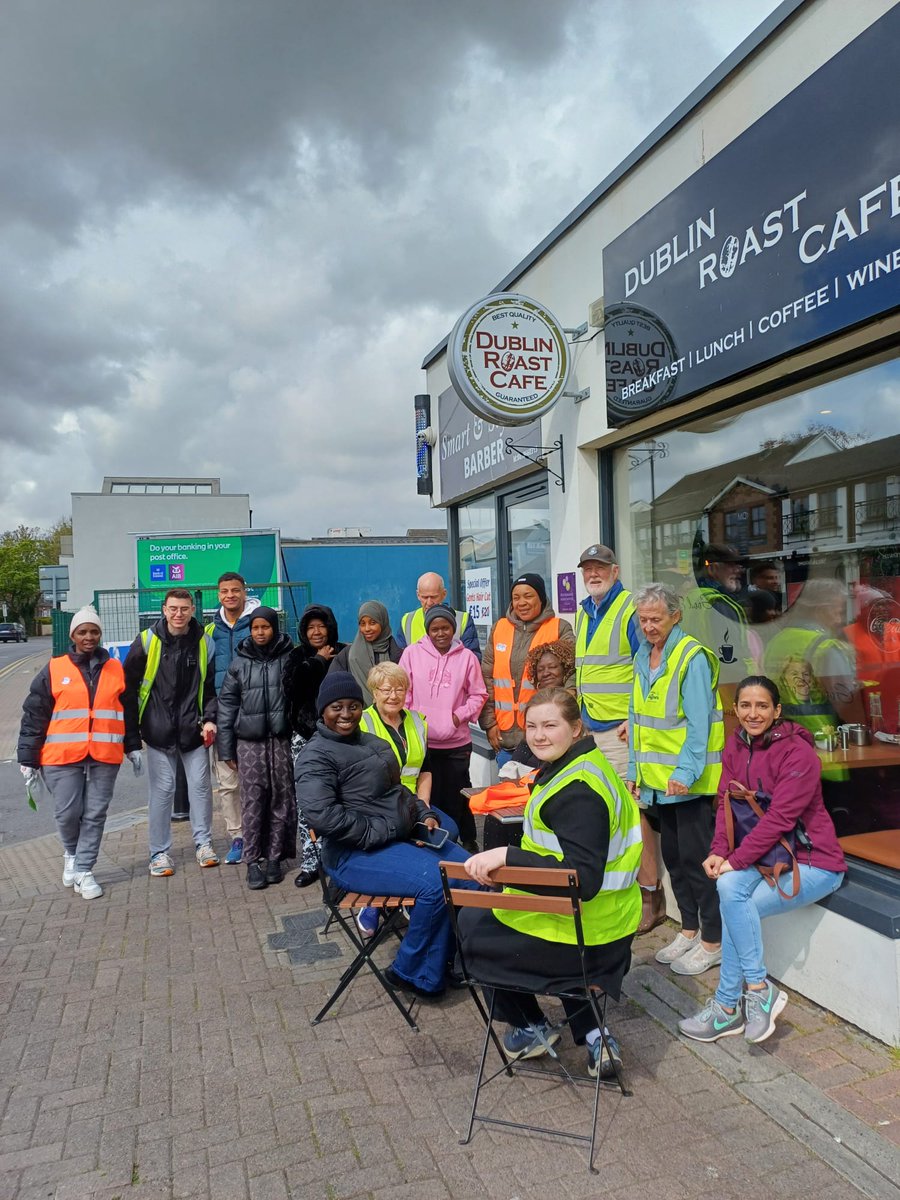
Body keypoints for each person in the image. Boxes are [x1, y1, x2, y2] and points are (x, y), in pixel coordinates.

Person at [458, 688, 641, 1077]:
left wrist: (507, 857)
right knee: (504, 917)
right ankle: (595, 1035)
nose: (539, 735)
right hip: (601, 920)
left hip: (591, 937)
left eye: (551, 725)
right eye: (533, 726)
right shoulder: (582, 765)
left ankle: (530, 1028)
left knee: (469, 928)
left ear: (576, 728)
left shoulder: (578, 791)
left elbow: (583, 880)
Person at [678, 676, 846, 1044]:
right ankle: (746, 998)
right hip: (766, 857)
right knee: (728, 889)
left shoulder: (798, 754)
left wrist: (736, 860)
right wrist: (719, 850)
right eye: (746, 706)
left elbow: (780, 820)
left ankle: (735, 1003)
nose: (753, 714)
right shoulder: (736, 746)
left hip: (813, 861)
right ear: (735, 710)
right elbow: (726, 802)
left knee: (738, 901)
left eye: (762, 706)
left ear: (777, 711)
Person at [296, 671, 471, 998]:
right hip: (352, 853)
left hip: (395, 839)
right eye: (337, 707)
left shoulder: (372, 743)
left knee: (471, 870)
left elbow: (398, 792)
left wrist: (425, 814)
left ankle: (447, 960)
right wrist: (384, 830)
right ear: (323, 711)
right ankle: (410, 972)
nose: (346, 714)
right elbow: (323, 816)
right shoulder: (315, 755)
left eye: (353, 706)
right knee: (435, 883)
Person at [627, 583, 724, 975]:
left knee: (698, 862)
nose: (648, 626)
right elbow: (637, 721)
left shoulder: (691, 657)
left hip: (688, 783)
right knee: (674, 861)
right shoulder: (641, 656)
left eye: (656, 619)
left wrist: (685, 772)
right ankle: (687, 930)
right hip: (656, 782)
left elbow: (698, 725)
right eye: (643, 619)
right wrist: (635, 772)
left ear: (675, 616)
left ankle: (713, 940)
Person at [17, 606, 142, 900]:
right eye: (83, 632)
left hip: (104, 752)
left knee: (96, 813)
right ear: (73, 635)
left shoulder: (115, 668)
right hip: (61, 754)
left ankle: (84, 870)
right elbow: (35, 713)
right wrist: (28, 757)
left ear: (100, 634)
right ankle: (71, 854)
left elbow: (128, 711)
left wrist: (133, 746)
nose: (89, 637)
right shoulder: (55, 668)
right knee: (68, 812)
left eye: (94, 631)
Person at [574, 544, 666, 935]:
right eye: (587, 569)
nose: (593, 574)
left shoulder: (630, 608)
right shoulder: (582, 610)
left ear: (615, 570)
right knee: (602, 811)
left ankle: (651, 895)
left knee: (636, 812)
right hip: (590, 727)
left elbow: (651, 663)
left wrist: (637, 716)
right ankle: (617, 886)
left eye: (600, 568)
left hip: (620, 730)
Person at [122, 588, 219, 876]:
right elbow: (127, 691)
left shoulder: (204, 643)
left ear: (192, 610)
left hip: (194, 731)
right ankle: (159, 853)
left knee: (201, 788)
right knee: (162, 792)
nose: (179, 614)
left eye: (184, 608)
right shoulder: (146, 641)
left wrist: (210, 719)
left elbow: (210, 688)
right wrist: (131, 736)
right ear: (164, 609)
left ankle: (204, 844)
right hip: (157, 731)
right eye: (173, 608)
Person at [216, 607, 297, 890]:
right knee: (253, 801)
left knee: (281, 800)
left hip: (280, 741)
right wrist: (225, 750)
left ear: (274, 627)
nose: (260, 632)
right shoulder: (239, 663)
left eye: (265, 627)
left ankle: (274, 858)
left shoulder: (288, 658)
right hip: (248, 743)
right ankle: (252, 861)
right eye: (255, 628)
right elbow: (226, 707)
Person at [399, 603, 487, 851]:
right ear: (427, 630)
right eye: (434, 628)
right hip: (422, 742)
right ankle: (435, 843)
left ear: (454, 628)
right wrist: (410, 725)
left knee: (457, 797)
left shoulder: (467, 658)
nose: (440, 633)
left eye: (445, 628)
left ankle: (464, 843)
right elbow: (404, 692)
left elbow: (478, 694)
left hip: (456, 744)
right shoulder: (411, 654)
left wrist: (457, 717)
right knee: (428, 797)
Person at [480, 573, 575, 765]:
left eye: (528, 596)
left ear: (541, 598)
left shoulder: (559, 628)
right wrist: (489, 723)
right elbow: (486, 679)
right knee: (510, 792)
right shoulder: (499, 628)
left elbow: (572, 672)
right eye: (516, 597)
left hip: (544, 738)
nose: (521, 602)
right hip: (504, 739)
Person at [284, 603, 345, 888]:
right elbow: (292, 688)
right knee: (307, 801)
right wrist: (318, 661)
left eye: (321, 626)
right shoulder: (297, 656)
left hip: (341, 738)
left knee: (340, 798)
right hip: (305, 738)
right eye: (311, 627)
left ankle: (339, 859)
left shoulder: (343, 651)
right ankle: (311, 861)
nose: (317, 632)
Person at [206, 572, 261, 865]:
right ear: (219, 595)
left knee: (257, 779)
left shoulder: (256, 625)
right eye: (225, 591)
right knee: (228, 782)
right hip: (223, 718)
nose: (230, 595)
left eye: (235, 590)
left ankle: (258, 834)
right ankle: (237, 836)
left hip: (254, 713)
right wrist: (209, 716)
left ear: (244, 592)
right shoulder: (209, 632)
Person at [681, 543, 755, 683]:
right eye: (732, 565)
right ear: (713, 569)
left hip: (698, 682)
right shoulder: (718, 604)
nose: (739, 570)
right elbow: (731, 660)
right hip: (724, 687)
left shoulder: (690, 599)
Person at [328, 601, 403, 705]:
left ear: (383, 622)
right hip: (357, 716)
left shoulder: (397, 654)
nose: (367, 629)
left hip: (390, 713)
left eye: (372, 623)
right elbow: (332, 686)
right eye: (362, 624)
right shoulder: (348, 654)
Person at [396, 571, 482, 659]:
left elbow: (472, 659)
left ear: (444, 594)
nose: (429, 602)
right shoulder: (407, 621)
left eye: (434, 597)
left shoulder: (462, 619)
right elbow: (401, 660)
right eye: (424, 597)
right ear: (418, 595)